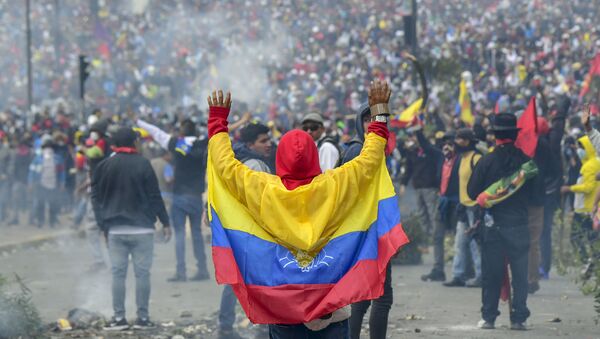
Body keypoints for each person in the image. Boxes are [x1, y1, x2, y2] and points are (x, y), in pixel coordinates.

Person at [206, 80, 406, 339]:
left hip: (282, 307)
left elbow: (224, 165)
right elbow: (371, 157)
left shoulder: (264, 188)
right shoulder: (334, 185)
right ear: (315, 156)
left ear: (279, 158)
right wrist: (379, 113)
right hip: (330, 307)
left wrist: (217, 121)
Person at [91, 127, 171, 330]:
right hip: (143, 229)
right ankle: (143, 319)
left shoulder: (104, 166)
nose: (140, 143)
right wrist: (165, 222)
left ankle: (119, 319)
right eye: (138, 140)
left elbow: (96, 198)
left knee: (118, 274)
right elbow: (154, 195)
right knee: (142, 274)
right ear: (133, 142)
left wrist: (103, 226)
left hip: (115, 230)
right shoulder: (143, 164)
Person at [467, 113, 539, 330]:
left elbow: (472, 192)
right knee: (519, 274)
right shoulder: (527, 163)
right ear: (514, 135)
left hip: (493, 225)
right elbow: (537, 196)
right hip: (518, 224)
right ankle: (519, 318)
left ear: (495, 135)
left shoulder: (486, 160)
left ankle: (489, 317)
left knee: (492, 273)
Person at [136, 117, 209, 282]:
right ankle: (202, 269)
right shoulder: (203, 143)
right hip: (196, 197)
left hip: (180, 196)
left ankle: (181, 272)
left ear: (181, 131)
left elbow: (156, 133)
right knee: (197, 233)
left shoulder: (176, 143)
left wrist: (139, 121)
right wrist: (240, 122)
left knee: (180, 235)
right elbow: (219, 132)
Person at [217, 122, 273, 339]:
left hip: (239, 231)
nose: (269, 144)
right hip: (253, 233)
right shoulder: (256, 167)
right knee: (259, 280)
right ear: (251, 144)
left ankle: (226, 326)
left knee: (237, 279)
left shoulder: (237, 163)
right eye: (264, 141)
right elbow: (260, 204)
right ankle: (261, 325)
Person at [344, 103, 393, 339]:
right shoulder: (358, 150)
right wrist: (380, 105)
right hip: (367, 231)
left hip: (371, 229)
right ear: (357, 123)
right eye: (366, 120)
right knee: (381, 297)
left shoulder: (372, 149)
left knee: (363, 298)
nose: (371, 124)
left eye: (374, 120)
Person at [442, 128, 483, 288]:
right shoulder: (461, 158)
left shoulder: (477, 158)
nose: (456, 142)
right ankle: (458, 275)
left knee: (474, 243)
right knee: (460, 242)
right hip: (463, 206)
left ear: (468, 141)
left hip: (474, 207)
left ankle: (480, 275)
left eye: (460, 139)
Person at [28, 134, 65, 228]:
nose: (48, 149)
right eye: (46, 147)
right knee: (41, 203)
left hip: (54, 184)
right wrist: (31, 182)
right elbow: (32, 171)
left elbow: (61, 172)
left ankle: (52, 222)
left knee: (53, 203)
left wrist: (62, 183)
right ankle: (40, 221)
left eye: (50, 147)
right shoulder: (38, 158)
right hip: (40, 184)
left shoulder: (58, 158)